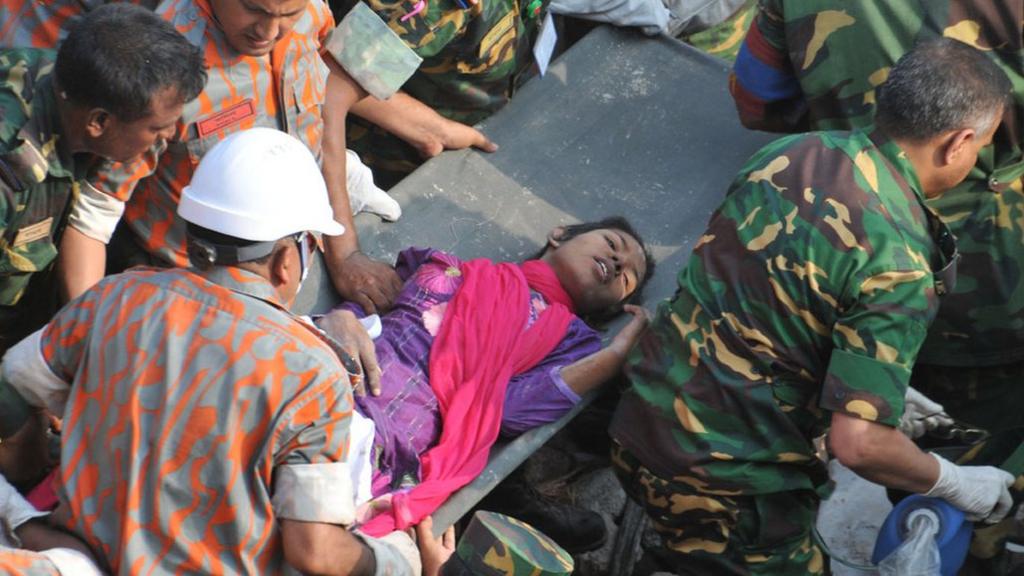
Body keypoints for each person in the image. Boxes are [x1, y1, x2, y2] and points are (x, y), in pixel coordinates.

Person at [611, 39, 1014, 575]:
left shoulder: (794, 153)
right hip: (727, 487)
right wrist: (955, 482)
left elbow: (766, 305)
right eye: (982, 145)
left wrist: (873, 385)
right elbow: (860, 444)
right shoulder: (899, 262)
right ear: (958, 142)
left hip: (637, 426)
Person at [0, 129, 424, 574]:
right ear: (285, 260)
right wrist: (394, 559)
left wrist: (34, 454)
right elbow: (315, 550)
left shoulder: (116, 296)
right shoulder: (314, 373)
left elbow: (16, 377)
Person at [315, 217, 652, 537]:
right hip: (327, 381)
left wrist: (611, 359)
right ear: (559, 234)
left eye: (628, 277)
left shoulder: (569, 341)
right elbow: (373, 309)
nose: (619, 262)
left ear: (612, 309)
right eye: (612, 243)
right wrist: (343, 315)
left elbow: (506, 412)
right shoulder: (450, 268)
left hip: (384, 437)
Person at [0, 3, 205, 356]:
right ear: (99, 122)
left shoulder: (72, 87)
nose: (169, 136)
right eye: (156, 128)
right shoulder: (9, 166)